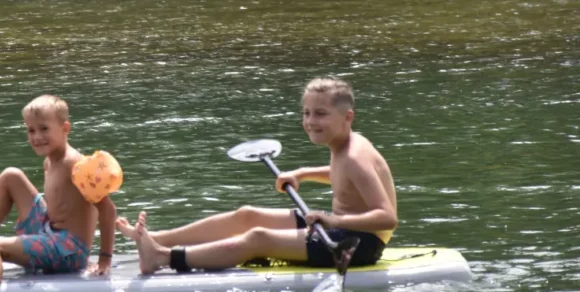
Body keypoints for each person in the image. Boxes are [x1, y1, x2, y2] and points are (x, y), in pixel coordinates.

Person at [116, 77, 397, 274]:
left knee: (258, 237)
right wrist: (303, 173)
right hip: (336, 228)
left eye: (321, 114)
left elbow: (387, 217)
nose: (311, 122)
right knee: (246, 214)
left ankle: (163, 257)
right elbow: (343, 178)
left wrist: (333, 219)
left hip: (353, 246)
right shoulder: (346, 145)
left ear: (348, 117)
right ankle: (156, 238)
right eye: (307, 112)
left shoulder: (355, 157)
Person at [0, 94, 117, 292]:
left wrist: (104, 260)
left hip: (69, 250)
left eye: (44, 129)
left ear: (65, 128)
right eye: (31, 130)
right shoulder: (49, 162)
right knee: (10, 176)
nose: (37, 137)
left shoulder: (77, 165)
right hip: (50, 231)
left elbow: (108, 210)